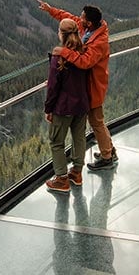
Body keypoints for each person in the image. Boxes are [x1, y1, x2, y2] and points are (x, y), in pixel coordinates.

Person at [38, 0, 117, 170]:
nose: (78, 19)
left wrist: (63, 52)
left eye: (82, 18)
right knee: (98, 122)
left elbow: (86, 62)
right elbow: (68, 17)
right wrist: (50, 10)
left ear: (89, 22)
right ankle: (109, 150)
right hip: (87, 86)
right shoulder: (90, 29)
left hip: (93, 87)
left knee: (96, 122)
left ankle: (107, 157)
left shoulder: (99, 41)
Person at [44, 18, 89, 193]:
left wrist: (48, 109)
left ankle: (62, 179)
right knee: (79, 138)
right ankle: (76, 173)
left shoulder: (59, 56)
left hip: (63, 107)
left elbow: (53, 86)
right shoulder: (84, 53)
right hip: (82, 104)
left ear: (61, 34)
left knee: (56, 142)